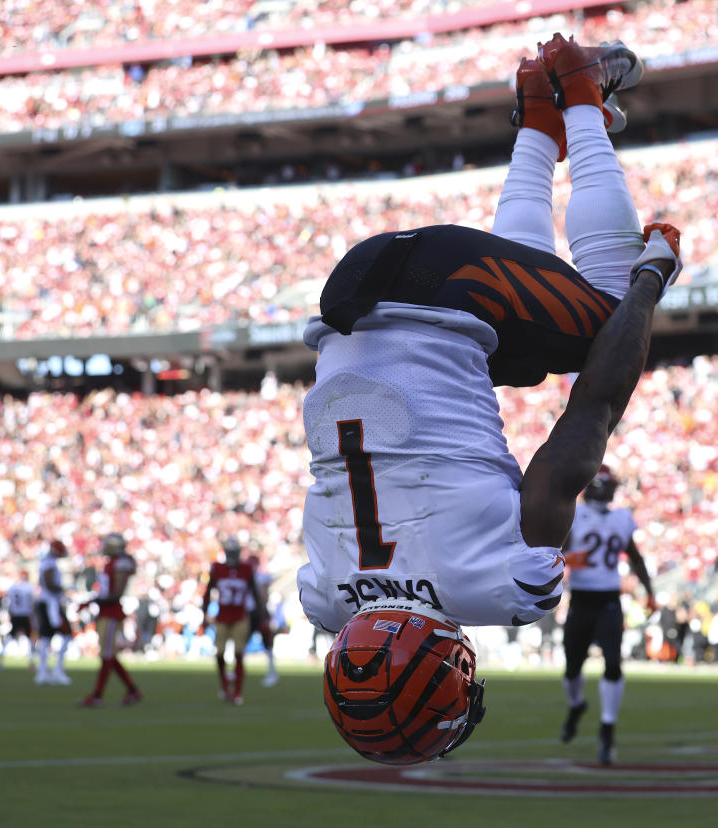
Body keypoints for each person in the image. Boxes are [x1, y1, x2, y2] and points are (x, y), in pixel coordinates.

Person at [296, 33, 681, 765]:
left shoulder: (502, 584)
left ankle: (583, 95)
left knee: (601, 321)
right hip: (352, 300)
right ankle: (539, 112)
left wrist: (653, 278)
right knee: (522, 355)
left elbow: (595, 405)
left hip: (448, 288)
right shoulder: (323, 597)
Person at [558, 465, 656, 765]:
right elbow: (551, 553)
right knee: (573, 667)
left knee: (613, 663)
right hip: (582, 600)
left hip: (609, 600)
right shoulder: (574, 514)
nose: (612, 490)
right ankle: (576, 706)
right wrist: (569, 558)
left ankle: (607, 729)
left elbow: (634, 556)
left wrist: (649, 590)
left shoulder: (621, 518)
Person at [78, 533, 142, 707]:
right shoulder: (111, 563)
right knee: (109, 657)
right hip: (106, 613)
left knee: (107, 656)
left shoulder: (120, 564)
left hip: (111, 613)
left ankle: (97, 695)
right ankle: (133, 690)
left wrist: (94, 600)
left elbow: (116, 593)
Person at [200, 538, 258, 705]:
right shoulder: (217, 568)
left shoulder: (247, 569)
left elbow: (253, 592)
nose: (232, 556)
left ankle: (237, 692)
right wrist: (204, 612)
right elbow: (208, 590)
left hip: (240, 615)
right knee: (219, 653)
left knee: (239, 653)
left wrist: (261, 614)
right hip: (223, 616)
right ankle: (225, 686)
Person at [34, 540, 74, 685]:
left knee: (46, 637)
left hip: (48, 603)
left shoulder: (47, 562)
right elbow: (50, 584)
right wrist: (65, 590)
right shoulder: (49, 563)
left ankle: (43, 671)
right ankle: (53, 670)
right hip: (50, 604)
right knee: (65, 635)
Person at [244, 551, 280, 687]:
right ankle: (238, 671)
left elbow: (263, 596)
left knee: (267, 643)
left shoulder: (261, 577)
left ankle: (272, 672)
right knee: (243, 641)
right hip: (251, 612)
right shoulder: (253, 576)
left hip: (259, 612)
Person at [0, 569, 36, 671]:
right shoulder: (29, 588)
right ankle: (31, 662)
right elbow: (32, 602)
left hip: (15, 614)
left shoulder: (12, 588)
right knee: (30, 638)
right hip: (25, 614)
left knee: (11, 636)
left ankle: (0, 658)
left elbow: (7, 603)